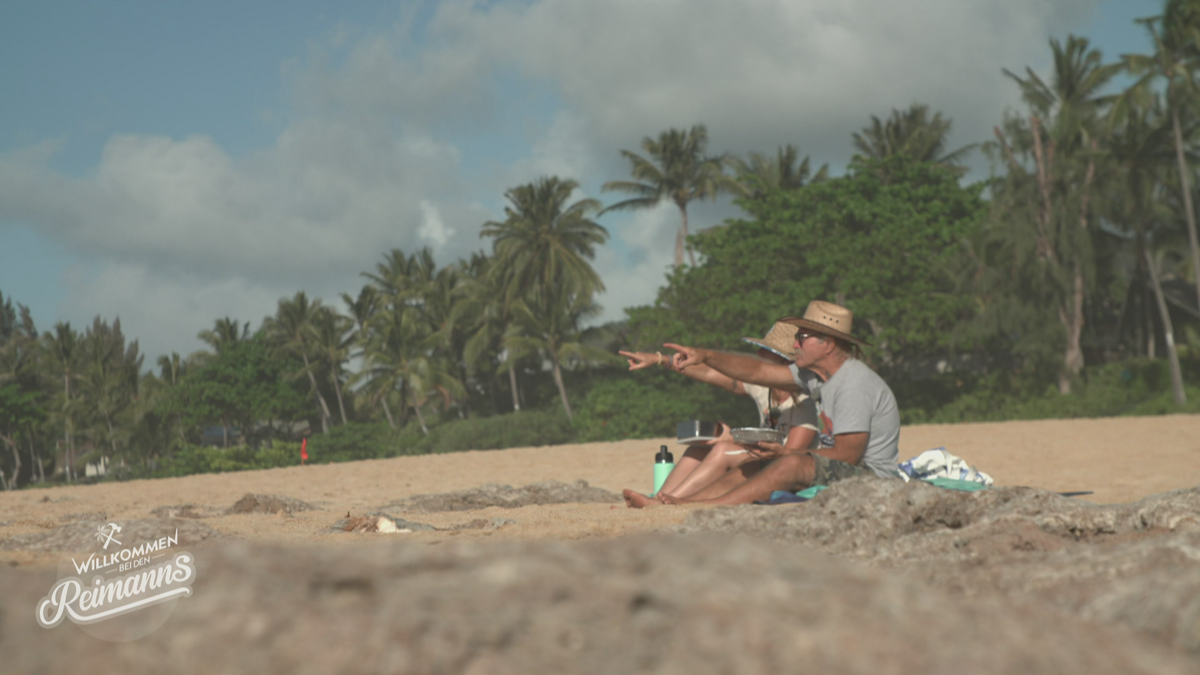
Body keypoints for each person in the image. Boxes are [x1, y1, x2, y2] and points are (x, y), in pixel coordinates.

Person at [624, 300, 900, 508]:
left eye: (801, 337)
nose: (795, 345)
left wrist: (784, 455)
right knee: (754, 467)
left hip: (871, 478)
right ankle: (675, 504)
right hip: (835, 466)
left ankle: (703, 507)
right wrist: (704, 355)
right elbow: (755, 372)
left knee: (788, 465)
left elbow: (848, 457)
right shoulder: (814, 378)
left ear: (827, 344)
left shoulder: (853, 385)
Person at [618, 322, 819, 502]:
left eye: (766, 351)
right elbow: (709, 372)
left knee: (723, 449)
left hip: (781, 468)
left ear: (784, 361)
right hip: (762, 457)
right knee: (698, 449)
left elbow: (788, 459)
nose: (759, 355)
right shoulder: (764, 388)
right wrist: (660, 359)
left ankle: (662, 503)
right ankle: (663, 496)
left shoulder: (804, 402)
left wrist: (733, 439)